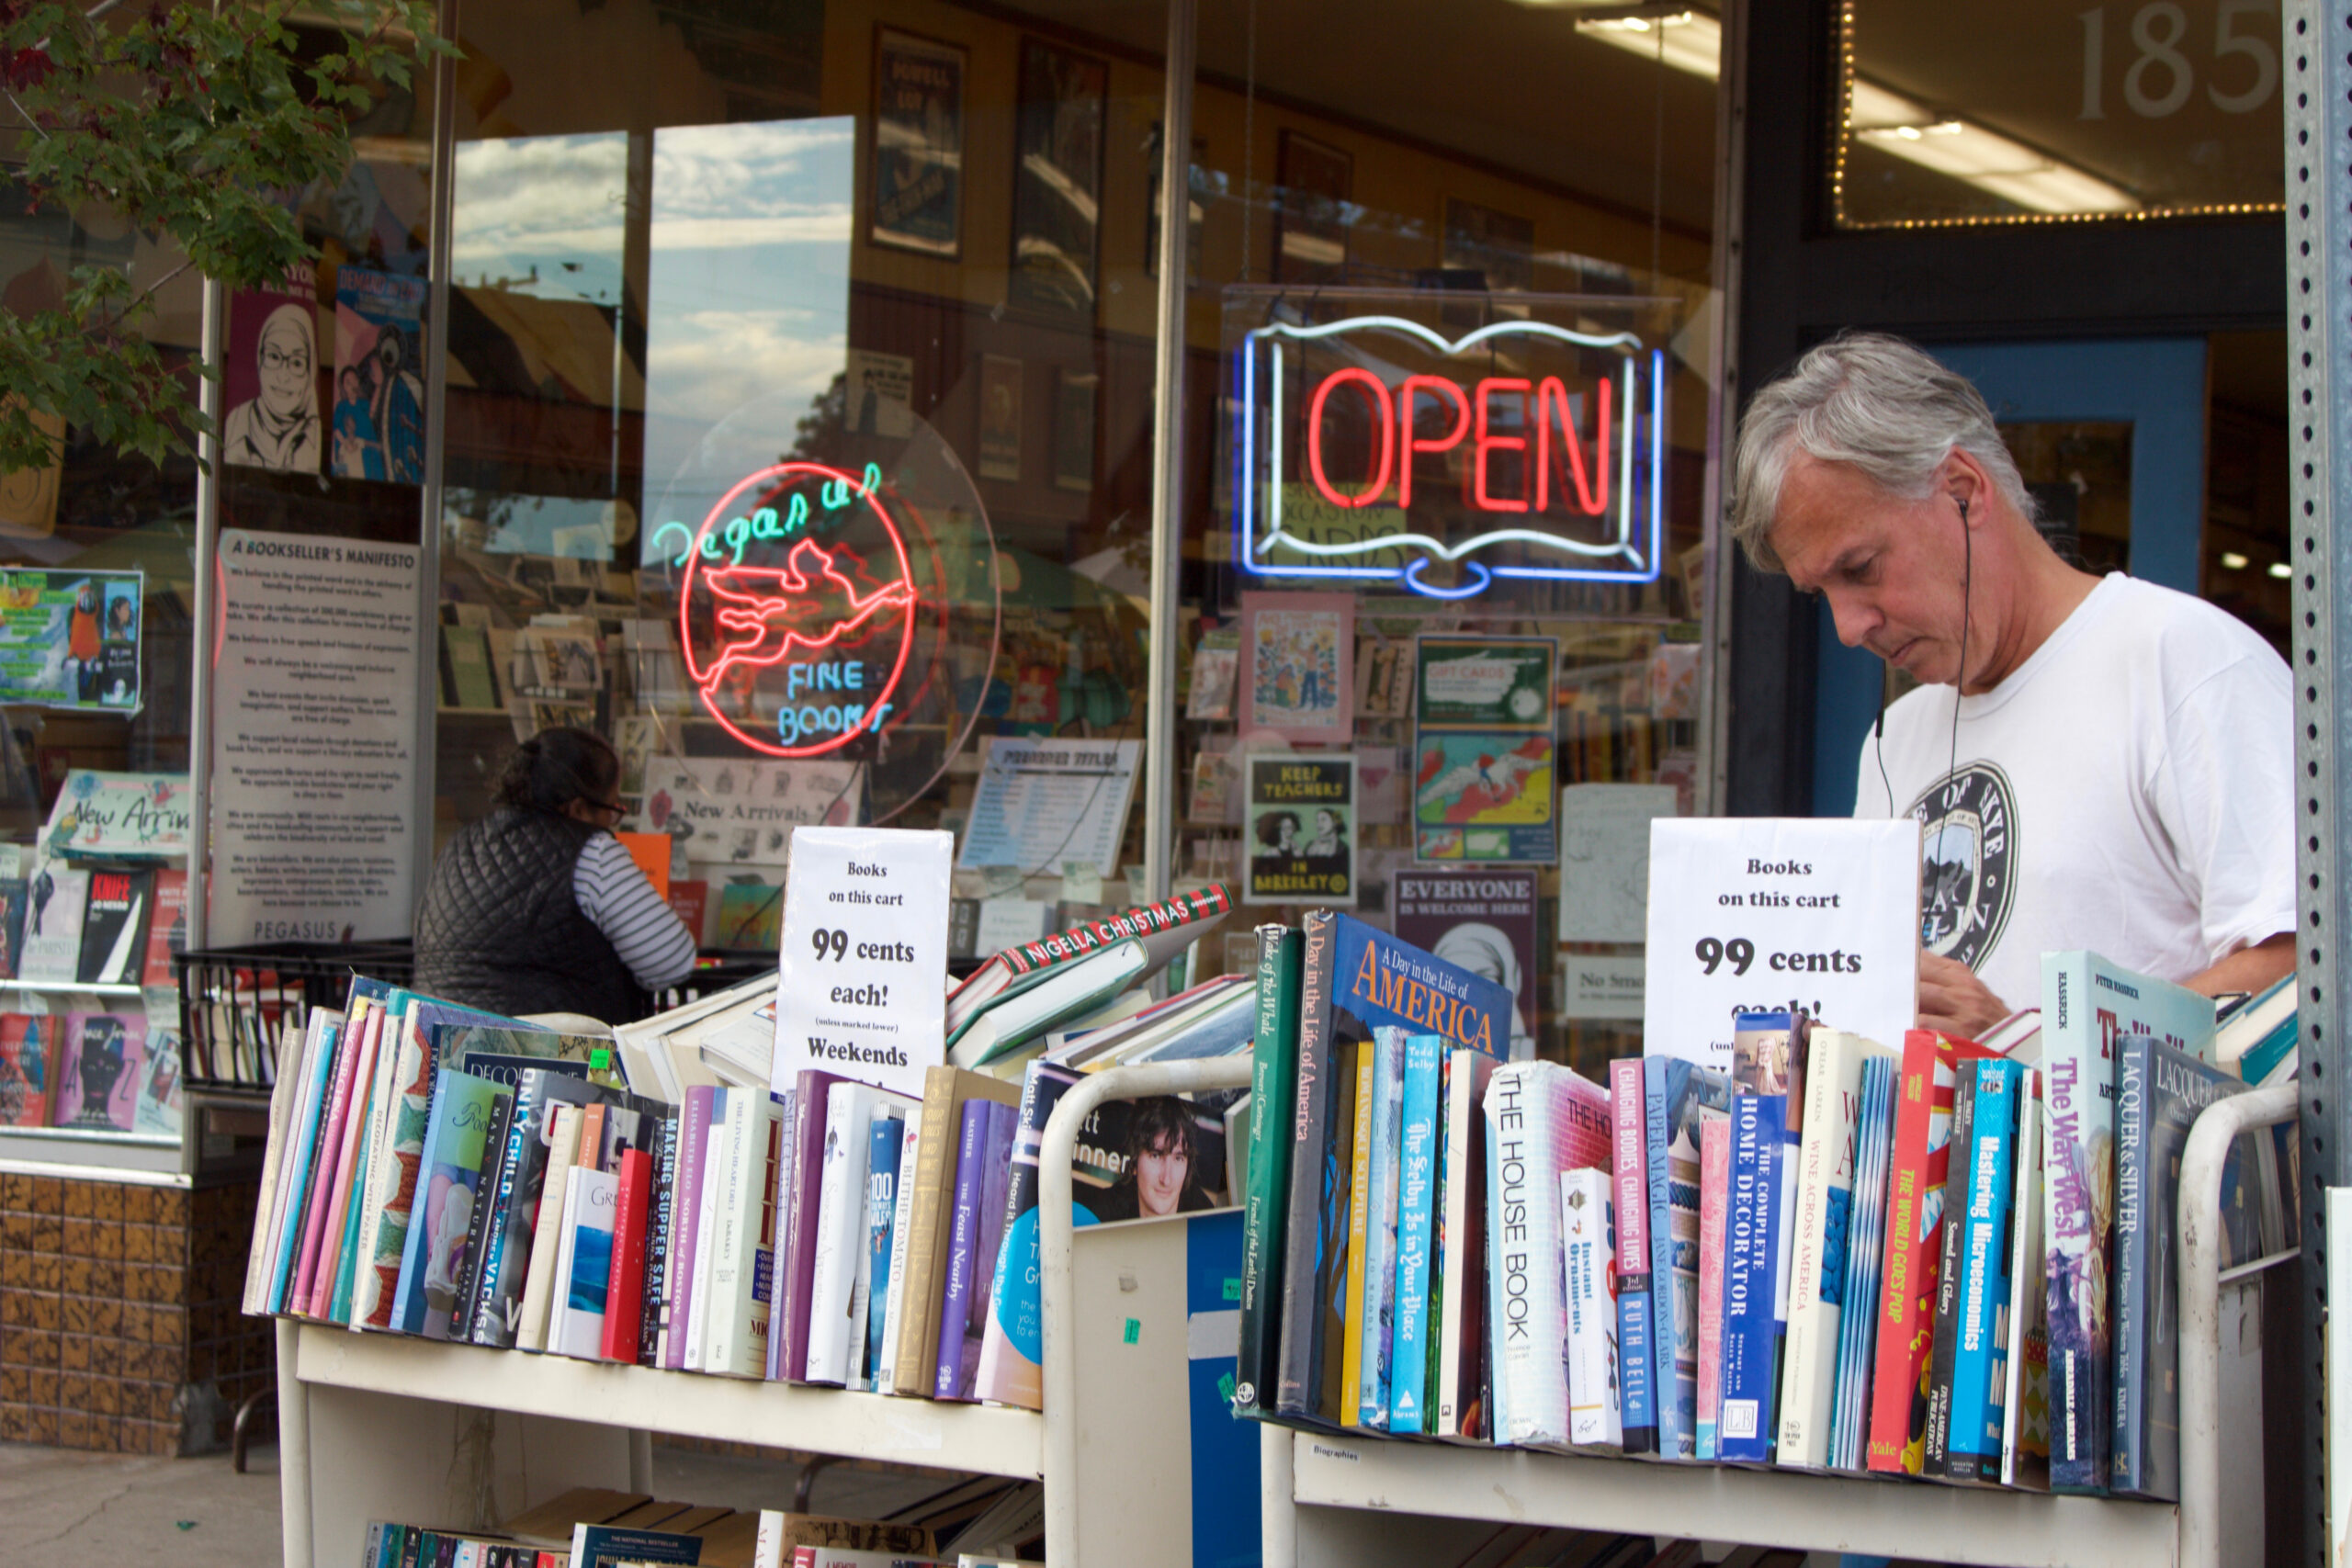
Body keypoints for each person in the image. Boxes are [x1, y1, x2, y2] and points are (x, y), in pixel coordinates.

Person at [1730, 331, 2295, 1038]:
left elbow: (2295, 970)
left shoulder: (2182, 661)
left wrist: (2029, 1046)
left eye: (1862, 567)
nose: (1848, 627)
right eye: (1822, 593)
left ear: (1963, 491)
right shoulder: (1896, 737)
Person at [414, 727, 697, 1022]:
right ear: (578, 809)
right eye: (612, 809)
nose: (612, 822)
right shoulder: (592, 852)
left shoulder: (459, 846)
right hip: (537, 1046)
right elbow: (673, 960)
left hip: (437, 1037)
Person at [222, 301, 322, 471]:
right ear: (260, 360)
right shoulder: (238, 421)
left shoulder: (313, 432)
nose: (283, 376)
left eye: (296, 363)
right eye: (274, 357)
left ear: (310, 372)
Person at [1088, 1096, 1218, 1221]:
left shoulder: (1205, 1217)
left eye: (1178, 1158)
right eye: (1155, 1156)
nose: (1166, 1179)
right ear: (1135, 1159)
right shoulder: (1105, 1213)